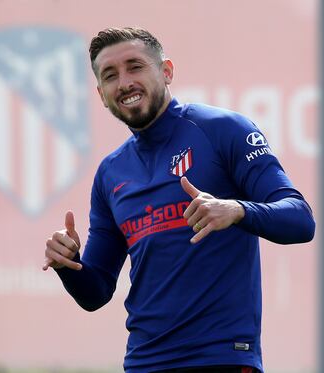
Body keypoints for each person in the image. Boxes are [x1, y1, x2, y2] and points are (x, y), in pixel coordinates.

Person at [43, 27, 315, 373]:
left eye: (135, 67)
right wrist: (69, 266)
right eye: (110, 76)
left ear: (167, 71)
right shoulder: (110, 173)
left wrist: (237, 210)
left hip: (222, 358)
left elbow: (300, 219)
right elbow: (95, 292)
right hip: (144, 363)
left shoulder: (223, 130)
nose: (124, 82)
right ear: (101, 94)